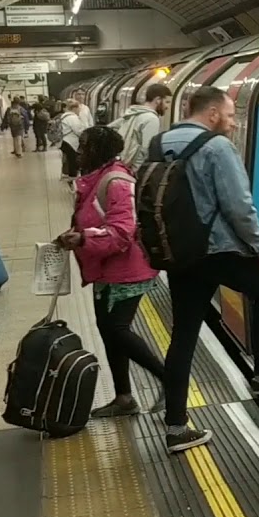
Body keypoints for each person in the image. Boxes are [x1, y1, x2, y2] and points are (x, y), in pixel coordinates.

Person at [157, 86, 259, 453]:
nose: (231, 125)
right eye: (230, 117)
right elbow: (238, 205)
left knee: (182, 337)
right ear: (212, 113)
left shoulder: (159, 143)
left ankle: (176, 427)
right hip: (217, 250)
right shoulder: (216, 147)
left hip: (179, 254)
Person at [55, 126, 166, 419]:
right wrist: (77, 234)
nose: (78, 153)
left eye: (84, 148)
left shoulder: (116, 182)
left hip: (128, 270)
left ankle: (170, 379)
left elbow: (122, 231)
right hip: (106, 269)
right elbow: (97, 221)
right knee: (108, 331)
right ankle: (124, 397)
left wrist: (83, 239)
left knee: (116, 329)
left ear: (99, 151)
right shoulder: (95, 180)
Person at [112, 84, 171, 173]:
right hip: (131, 170)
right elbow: (146, 150)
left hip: (120, 165)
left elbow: (110, 127)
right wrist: (136, 172)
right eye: (167, 102)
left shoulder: (133, 113)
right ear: (158, 100)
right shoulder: (152, 119)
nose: (167, 107)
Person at [57, 100, 85, 182]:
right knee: (73, 159)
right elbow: (78, 130)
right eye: (78, 108)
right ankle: (72, 176)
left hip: (63, 140)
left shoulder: (64, 116)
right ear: (74, 108)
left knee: (68, 159)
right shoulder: (72, 118)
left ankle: (67, 174)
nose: (79, 110)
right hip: (70, 141)